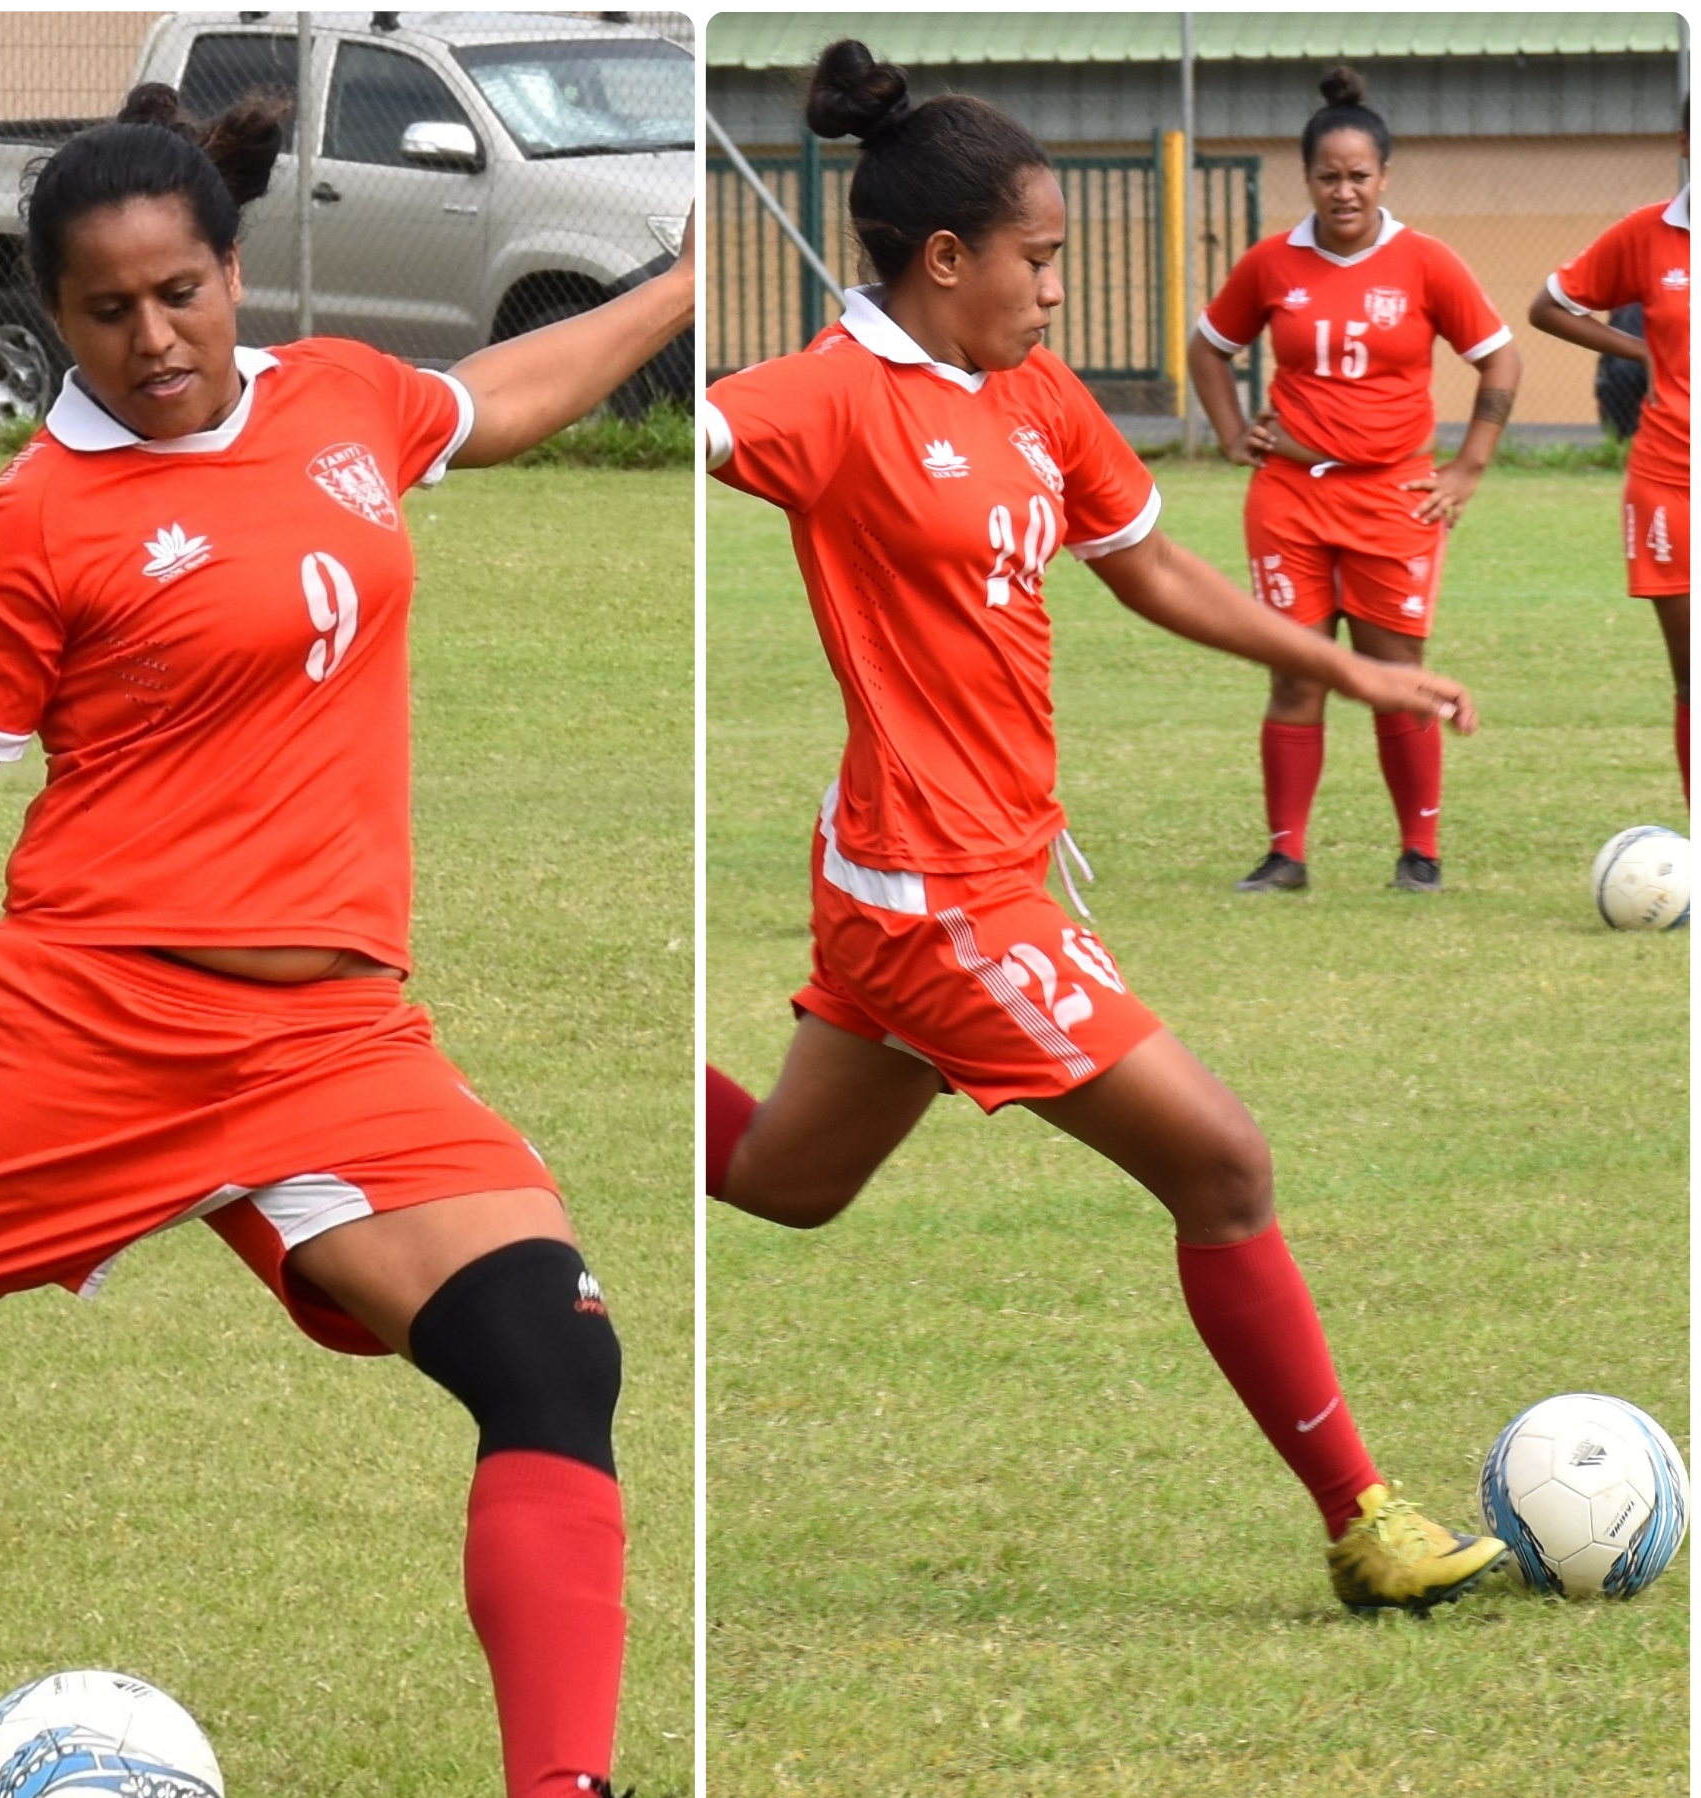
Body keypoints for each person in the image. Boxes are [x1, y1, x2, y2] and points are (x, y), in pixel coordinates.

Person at [0, 86, 694, 1798]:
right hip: (76, 1031)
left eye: (184, 294)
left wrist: (683, 283)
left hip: (332, 1046)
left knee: (551, 1352)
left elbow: (515, 395)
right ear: (56, 314)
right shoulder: (37, 523)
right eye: (107, 311)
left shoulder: (342, 402)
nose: (154, 340)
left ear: (235, 270)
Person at [703, 41, 1506, 1618]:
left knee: (792, 1182)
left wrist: (1344, 664)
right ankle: (1364, 1523)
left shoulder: (1027, 391)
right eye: (1041, 260)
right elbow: (697, 437)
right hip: (943, 896)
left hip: (960, 871)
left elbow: (1147, 566)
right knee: (1224, 1162)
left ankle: (600, 1106)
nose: (1059, 292)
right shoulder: (829, 397)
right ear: (945, 260)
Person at [1188, 67, 1521, 894]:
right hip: (1291, 495)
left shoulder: (1426, 262)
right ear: (1307, 178)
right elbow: (1207, 346)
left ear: (1385, 177)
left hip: (1394, 495)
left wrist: (1469, 465)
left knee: (1394, 673)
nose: (1344, 192)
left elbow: (1499, 358)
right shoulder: (1272, 263)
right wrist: (1234, 434)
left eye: (1359, 176)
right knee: (1296, 668)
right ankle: (1286, 855)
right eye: (1328, 177)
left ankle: (1420, 854)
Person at [1528, 113, 1689, 804]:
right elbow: (1550, 307)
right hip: (1671, 482)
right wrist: (1644, 352)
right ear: (1688, 142)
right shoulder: (1648, 233)